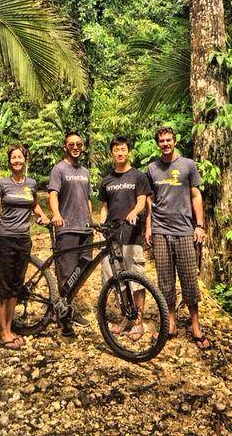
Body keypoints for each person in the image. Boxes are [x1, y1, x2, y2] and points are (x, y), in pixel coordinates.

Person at [145, 126, 211, 348]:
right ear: (157, 144)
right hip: (160, 230)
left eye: (168, 140)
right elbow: (149, 200)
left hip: (184, 230)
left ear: (174, 141)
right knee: (165, 280)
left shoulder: (188, 165)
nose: (165, 143)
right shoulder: (152, 168)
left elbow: (196, 195)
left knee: (189, 279)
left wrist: (199, 225)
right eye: (161, 141)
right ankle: (170, 324)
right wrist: (148, 226)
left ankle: (195, 327)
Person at [0, 144, 50, 350]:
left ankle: (9, 327)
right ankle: (3, 332)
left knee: (16, 285)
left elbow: (34, 205)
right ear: (9, 161)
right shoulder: (2, 184)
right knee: (3, 286)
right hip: (5, 239)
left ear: (25, 160)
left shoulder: (31, 184)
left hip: (24, 240)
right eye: (13, 157)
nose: (17, 160)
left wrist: (42, 215)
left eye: (20, 157)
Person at [98, 135, 151, 340]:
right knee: (116, 281)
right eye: (116, 150)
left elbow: (142, 202)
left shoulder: (138, 176)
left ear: (128, 151)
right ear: (112, 153)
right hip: (112, 238)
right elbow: (104, 207)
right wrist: (101, 226)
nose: (120, 153)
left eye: (123, 149)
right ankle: (125, 318)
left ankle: (138, 321)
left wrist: (134, 213)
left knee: (136, 279)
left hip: (131, 235)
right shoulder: (107, 180)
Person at [47, 131, 93, 336]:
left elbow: (88, 198)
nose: (75, 147)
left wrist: (92, 221)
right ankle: (64, 319)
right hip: (67, 228)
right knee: (67, 273)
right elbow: (53, 194)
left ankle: (67, 308)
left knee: (81, 272)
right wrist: (56, 214)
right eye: (71, 144)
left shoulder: (85, 172)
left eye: (79, 144)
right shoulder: (59, 169)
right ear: (65, 146)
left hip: (85, 228)